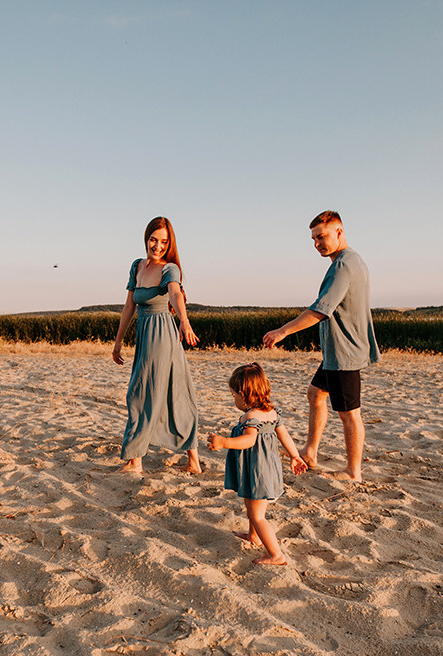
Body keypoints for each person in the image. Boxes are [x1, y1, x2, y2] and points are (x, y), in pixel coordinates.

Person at [262, 210, 379, 481]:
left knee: (350, 414)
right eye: (314, 239)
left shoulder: (344, 265)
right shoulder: (353, 260)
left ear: (339, 232)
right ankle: (311, 451)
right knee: (315, 394)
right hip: (335, 352)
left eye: (322, 237)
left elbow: (320, 310)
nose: (318, 244)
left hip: (344, 352)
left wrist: (282, 331)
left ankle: (353, 471)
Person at [112, 216, 202, 474]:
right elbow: (129, 306)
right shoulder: (137, 267)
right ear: (146, 238)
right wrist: (118, 341)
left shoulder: (169, 269)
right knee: (175, 393)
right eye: (154, 239)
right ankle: (193, 461)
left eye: (164, 241)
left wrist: (184, 321)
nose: (158, 246)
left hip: (163, 335)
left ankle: (134, 462)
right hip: (145, 334)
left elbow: (175, 293)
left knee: (139, 394)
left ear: (169, 243)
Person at [206, 363, 307, 566]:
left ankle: (276, 554)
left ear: (244, 395)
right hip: (265, 468)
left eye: (234, 396)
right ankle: (254, 536)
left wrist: (224, 441)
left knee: (257, 515)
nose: (234, 399)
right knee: (250, 502)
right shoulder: (272, 413)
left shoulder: (251, 417)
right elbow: (284, 436)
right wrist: (295, 456)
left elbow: (249, 441)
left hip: (258, 470)